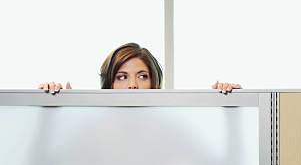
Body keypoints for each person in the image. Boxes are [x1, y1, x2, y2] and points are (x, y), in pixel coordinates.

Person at [38, 42, 241, 94]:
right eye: (122, 77)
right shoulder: (91, 129)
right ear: (109, 83)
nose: (133, 86)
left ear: (155, 82)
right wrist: (57, 115)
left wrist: (228, 108)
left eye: (142, 76)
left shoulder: (171, 129)